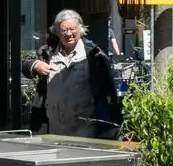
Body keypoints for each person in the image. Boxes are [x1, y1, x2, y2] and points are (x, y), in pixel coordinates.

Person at [27, 9, 121, 139]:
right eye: (64, 30)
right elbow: (24, 65)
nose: (69, 34)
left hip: (86, 130)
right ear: (57, 32)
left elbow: (110, 92)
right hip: (54, 128)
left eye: (72, 29)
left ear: (80, 29)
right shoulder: (47, 53)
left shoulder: (95, 56)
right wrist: (34, 65)